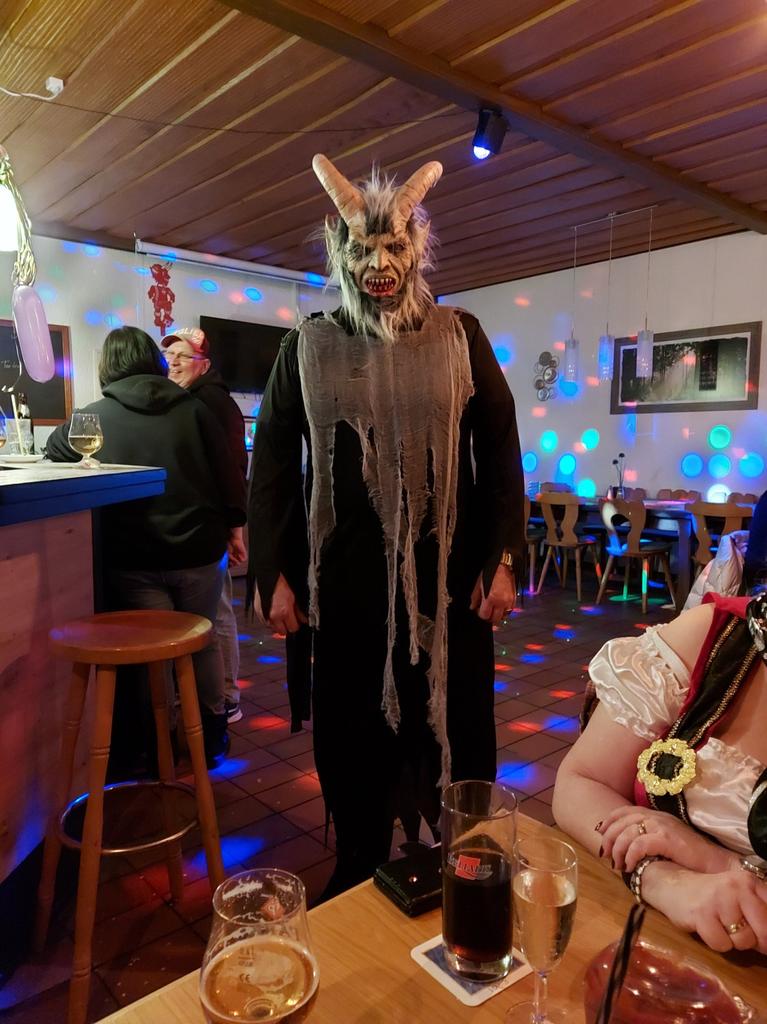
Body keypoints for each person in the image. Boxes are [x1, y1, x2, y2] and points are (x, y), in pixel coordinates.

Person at [248, 153, 524, 895]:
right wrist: (272, 571)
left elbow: (500, 447)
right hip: (345, 585)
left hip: (448, 581)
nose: (379, 266)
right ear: (340, 254)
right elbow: (271, 462)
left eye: (393, 247)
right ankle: (359, 859)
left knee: (455, 719)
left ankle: (466, 858)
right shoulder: (307, 345)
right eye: (362, 250)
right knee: (352, 724)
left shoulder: (459, 335)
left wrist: (502, 557)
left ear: (415, 249)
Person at [46, 326, 246, 767]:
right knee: (203, 641)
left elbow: (54, 450)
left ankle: (159, 743)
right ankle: (211, 738)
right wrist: (236, 529)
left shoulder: (94, 416)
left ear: (107, 366)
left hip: (134, 556)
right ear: (155, 362)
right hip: (199, 551)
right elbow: (229, 477)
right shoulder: (195, 410)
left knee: (155, 652)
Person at [553, 591, 767, 955]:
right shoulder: (715, 634)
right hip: (645, 944)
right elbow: (581, 781)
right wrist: (664, 881)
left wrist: (714, 860)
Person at [162, 326, 248, 724]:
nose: (174, 363)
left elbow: (233, 469)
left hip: (210, 527)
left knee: (218, 613)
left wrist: (234, 527)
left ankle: (227, 697)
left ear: (205, 364)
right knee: (212, 612)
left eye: (183, 356)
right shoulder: (193, 400)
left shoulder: (211, 402)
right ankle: (215, 693)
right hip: (207, 525)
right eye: (170, 356)